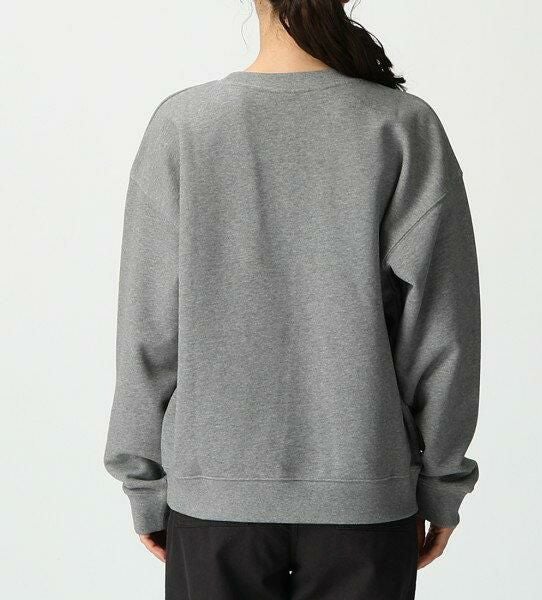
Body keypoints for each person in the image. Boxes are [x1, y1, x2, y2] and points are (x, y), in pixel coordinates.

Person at [104, 1, 481, 598]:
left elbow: (148, 326)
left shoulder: (184, 126)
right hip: (364, 495)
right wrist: (441, 483)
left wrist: (143, 482)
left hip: (214, 501)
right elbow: (442, 332)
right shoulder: (402, 125)